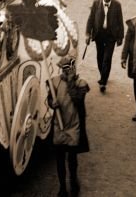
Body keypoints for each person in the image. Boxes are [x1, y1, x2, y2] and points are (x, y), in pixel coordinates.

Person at [48, 55, 89, 197]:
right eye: (66, 70)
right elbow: (50, 98)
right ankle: (62, 188)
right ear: (62, 71)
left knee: (72, 159)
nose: (69, 72)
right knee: (59, 159)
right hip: (59, 125)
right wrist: (51, 103)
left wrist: (71, 82)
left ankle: (73, 182)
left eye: (71, 69)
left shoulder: (81, 84)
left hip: (74, 126)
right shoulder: (55, 82)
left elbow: (78, 99)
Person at [85, 0, 123, 93]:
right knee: (100, 57)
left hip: (111, 36)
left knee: (107, 58)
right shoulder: (96, 4)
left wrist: (120, 37)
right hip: (99, 35)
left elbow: (120, 21)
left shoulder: (117, 5)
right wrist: (88, 34)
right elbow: (91, 19)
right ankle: (103, 74)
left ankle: (103, 81)